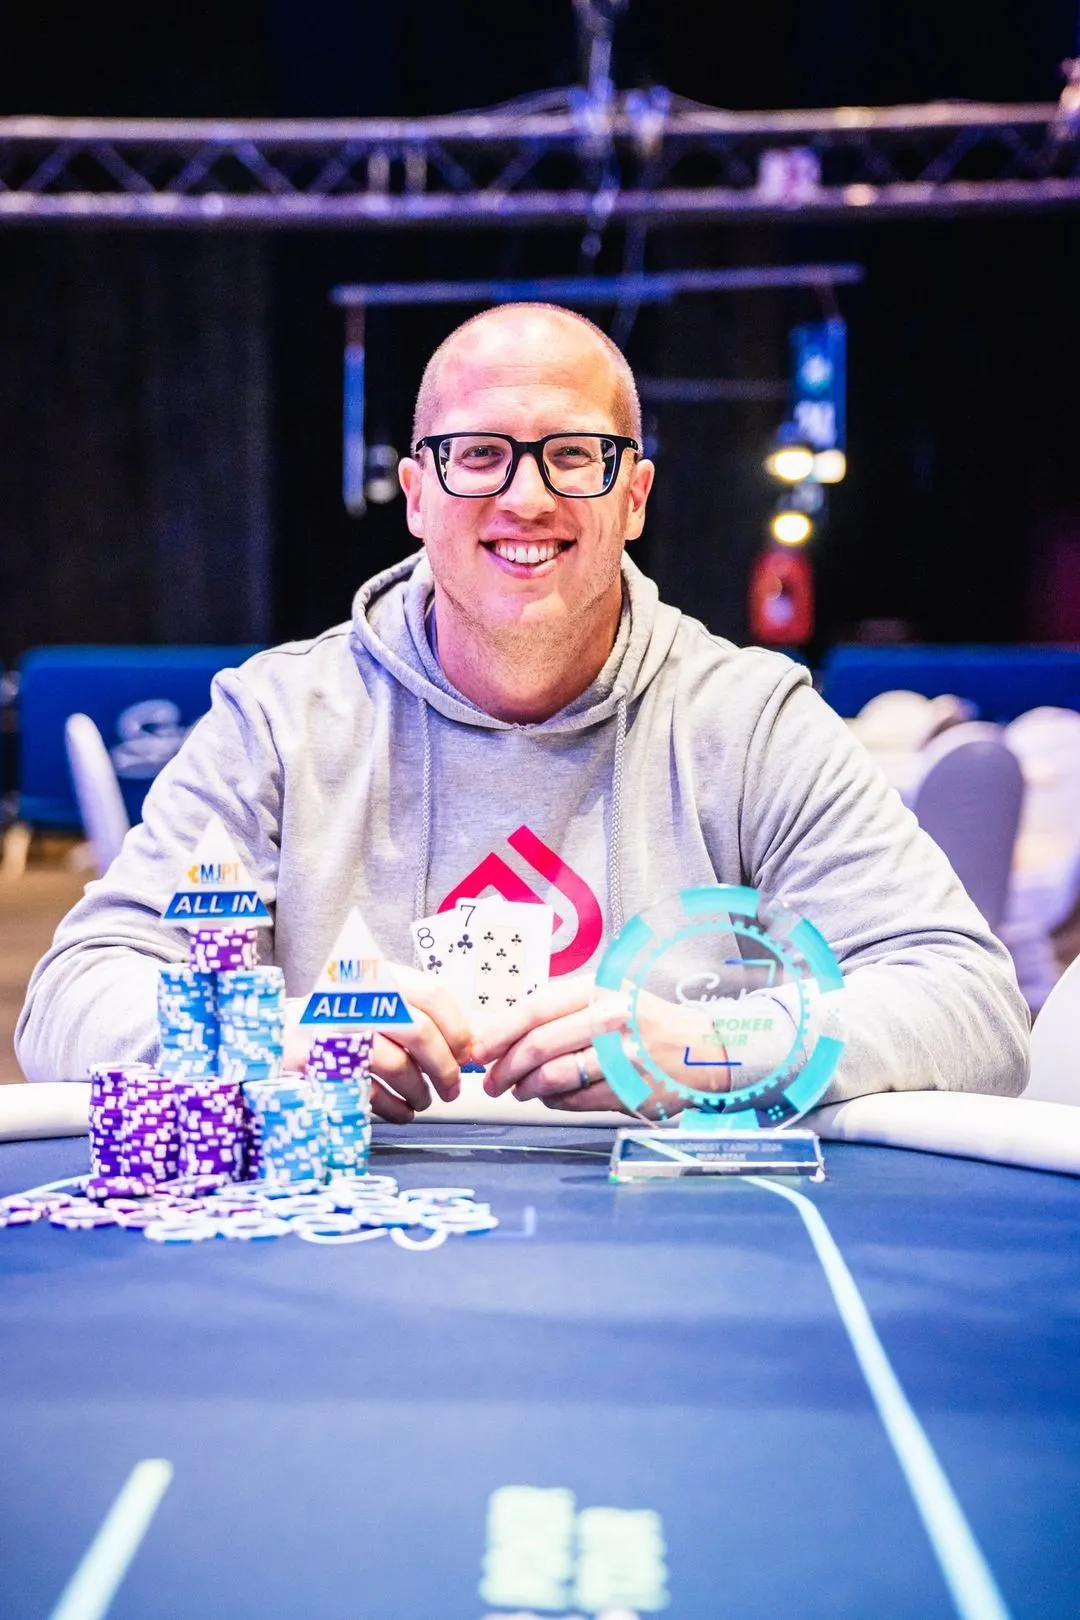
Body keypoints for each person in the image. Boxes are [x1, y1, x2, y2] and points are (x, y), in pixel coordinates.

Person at [17, 303, 1029, 1115]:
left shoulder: (753, 722)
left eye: (574, 454)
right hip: (342, 1245)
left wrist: (717, 1049)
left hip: (674, 1250)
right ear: (417, 494)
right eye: (479, 453)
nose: (528, 499)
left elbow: (973, 1007)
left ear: (635, 497)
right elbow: (72, 997)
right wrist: (265, 1040)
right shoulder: (279, 719)